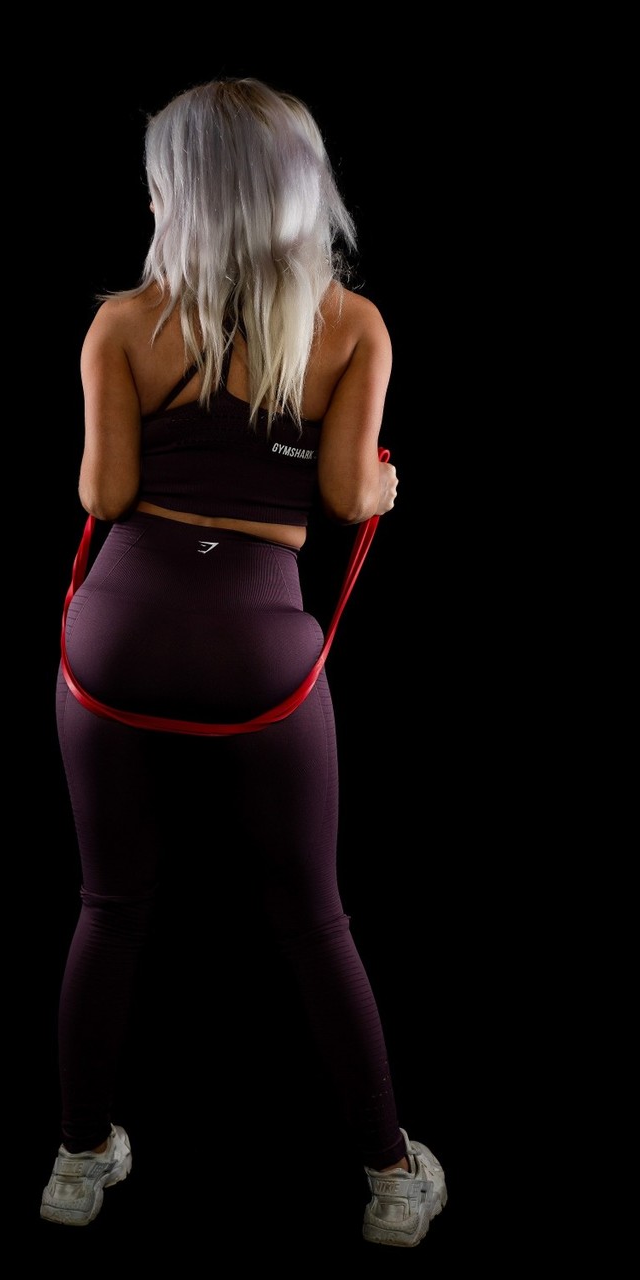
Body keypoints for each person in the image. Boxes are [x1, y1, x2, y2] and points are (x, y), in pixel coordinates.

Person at [40, 76, 447, 1248]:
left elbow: (106, 493)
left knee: (109, 906)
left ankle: (76, 1162)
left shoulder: (121, 323)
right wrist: (380, 486)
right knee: (313, 916)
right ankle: (389, 1178)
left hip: (115, 643)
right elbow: (345, 497)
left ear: (181, 194)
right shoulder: (351, 326)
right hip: (258, 653)